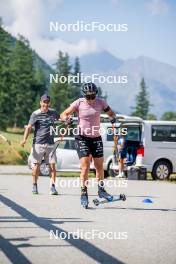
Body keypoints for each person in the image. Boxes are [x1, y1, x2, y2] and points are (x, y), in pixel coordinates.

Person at [60, 82, 117, 207]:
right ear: (84, 95)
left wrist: (113, 117)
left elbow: (111, 113)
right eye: (88, 96)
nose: (90, 99)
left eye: (92, 96)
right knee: (85, 166)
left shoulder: (101, 102)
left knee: (99, 166)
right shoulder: (79, 102)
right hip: (82, 137)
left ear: (96, 94)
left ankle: (101, 190)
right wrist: (66, 119)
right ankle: (84, 192)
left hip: (96, 137)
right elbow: (63, 114)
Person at [20, 94, 59, 195]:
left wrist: (67, 120)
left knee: (52, 167)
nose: (45, 104)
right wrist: (24, 140)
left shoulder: (53, 112)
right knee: (36, 167)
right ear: (40, 102)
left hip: (50, 144)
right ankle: (34, 185)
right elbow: (29, 127)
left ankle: (53, 187)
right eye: (44, 102)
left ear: (49, 103)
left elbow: (61, 119)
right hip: (38, 144)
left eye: (47, 102)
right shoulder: (35, 114)